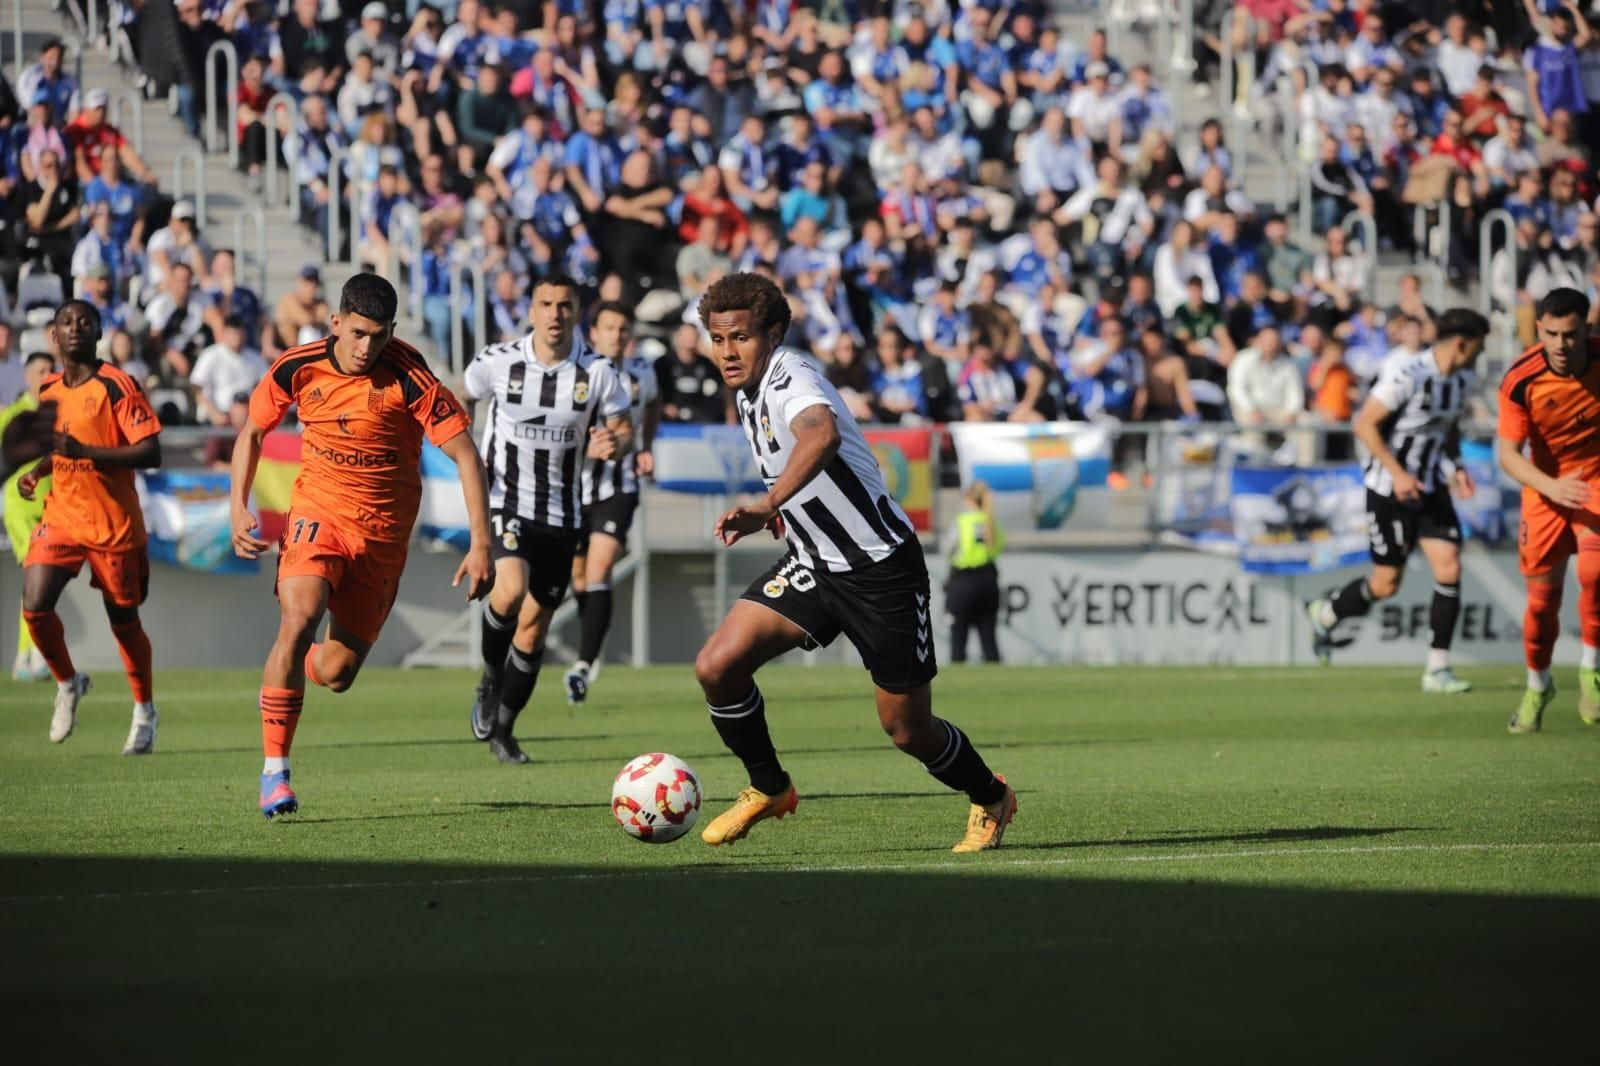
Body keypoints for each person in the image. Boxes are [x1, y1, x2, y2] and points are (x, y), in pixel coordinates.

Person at [691, 273, 1017, 852]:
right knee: (717, 665)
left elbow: (821, 435)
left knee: (906, 729)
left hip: (880, 569)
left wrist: (768, 502)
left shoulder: (792, 376)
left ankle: (990, 795)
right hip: (815, 564)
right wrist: (784, 513)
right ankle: (769, 787)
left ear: (773, 334)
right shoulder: (746, 392)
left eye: (739, 338)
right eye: (717, 339)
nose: (726, 352)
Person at [229, 274, 494, 818]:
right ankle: (275, 772)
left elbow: (467, 456)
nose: (365, 347)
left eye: (378, 335)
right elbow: (252, 432)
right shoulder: (298, 366)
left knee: (337, 674)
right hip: (317, 516)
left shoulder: (410, 376)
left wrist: (481, 542)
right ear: (336, 323)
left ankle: (297, 666)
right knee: (299, 616)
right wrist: (239, 505)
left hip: (382, 540)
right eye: (356, 333)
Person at [463, 275, 633, 763]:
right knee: (510, 591)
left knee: (534, 631)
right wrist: (463, 452)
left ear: (577, 312)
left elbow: (625, 429)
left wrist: (615, 443)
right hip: (507, 503)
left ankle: (506, 729)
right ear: (531, 310)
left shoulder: (598, 372)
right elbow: (460, 397)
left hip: (562, 518)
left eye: (565, 305)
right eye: (546, 304)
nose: (555, 313)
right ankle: (491, 677)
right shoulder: (498, 361)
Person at [1306, 309, 1491, 692]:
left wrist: (1456, 465)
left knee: (1449, 565)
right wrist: (1398, 473)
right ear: (1462, 344)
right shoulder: (1409, 375)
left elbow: (1448, 425)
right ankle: (1325, 613)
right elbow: (1364, 425)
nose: (1482, 352)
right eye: (1479, 345)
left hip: (1429, 488)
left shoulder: (1461, 380)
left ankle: (1437, 669)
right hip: (1389, 489)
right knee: (1387, 583)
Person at [17, 302, 162, 753]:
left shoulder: (118, 385)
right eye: (66, 322)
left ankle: (144, 711)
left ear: (98, 331)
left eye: (84, 322)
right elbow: (64, 445)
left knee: (124, 624)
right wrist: (39, 471)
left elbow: (150, 452)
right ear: (54, 336)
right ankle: (68, 682)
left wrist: (86, 451)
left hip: (113, 525)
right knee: (35, 608)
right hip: (62, 517)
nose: (75, 328)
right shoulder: (49, 388)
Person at [1495, 288, 1600, 733]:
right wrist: (1552, 486)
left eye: (1571, 335)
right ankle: (1538, 686)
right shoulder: (1521, 378)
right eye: (1552, 334)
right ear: (1539, 328)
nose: (1561, 345)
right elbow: (1506, 453)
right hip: (1544, 487)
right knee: (1542, 602)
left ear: (1586, 330)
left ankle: (1590, 670)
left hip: (1594, 479)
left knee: (1595, 571)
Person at [567, 301, 659, 703]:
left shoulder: (642, 373)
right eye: (609, 328)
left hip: (619, 487)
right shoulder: (577, 373)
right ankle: (593, 640)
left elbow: (651, 407)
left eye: (623, 329)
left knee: (601, 566)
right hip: (572, 488)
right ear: (594, 333)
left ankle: (584, 665)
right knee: (579, 577)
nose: (618, 335)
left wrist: (645, 446)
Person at [1, 351, 58, 681]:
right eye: (40, 370)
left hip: (51, 507)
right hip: (21, 508)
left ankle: (26, 656)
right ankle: (33, 654)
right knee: (39, 577)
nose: (46, 375)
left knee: (39, 583)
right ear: (27, 377)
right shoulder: (14, 415)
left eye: (51, 369)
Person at [945, 481, 1004, 665]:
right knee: (989, 640)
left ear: (969, 500)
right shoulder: (992, 522)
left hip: (963, 582)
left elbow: (948, 548)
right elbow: (998, 547)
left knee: (958, 640)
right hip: (988, 581)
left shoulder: (962, 521)